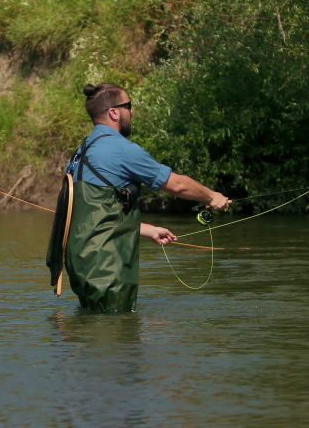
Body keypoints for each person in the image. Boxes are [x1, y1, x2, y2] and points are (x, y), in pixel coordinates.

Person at [51, 83, 230, 312]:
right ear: (114, 112)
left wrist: (148, 229)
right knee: (114, 331)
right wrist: (212, 196)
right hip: (107, 266)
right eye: (128, 106)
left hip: (81, 265)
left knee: (94, 334)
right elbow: (176, 185)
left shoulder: (80, 153)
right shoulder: (120, 149)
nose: (132, 112)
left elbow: (92, 215)